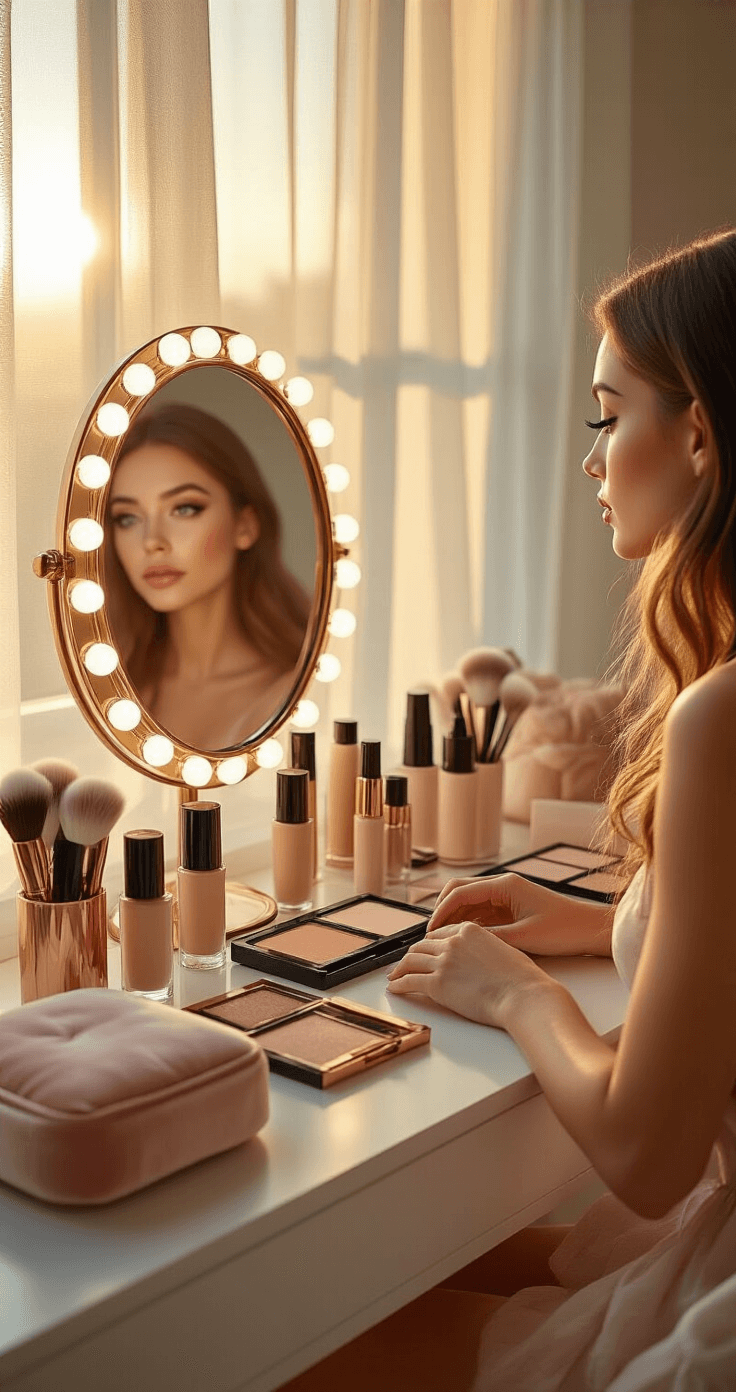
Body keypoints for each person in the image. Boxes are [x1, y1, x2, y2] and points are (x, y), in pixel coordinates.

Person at [281, 230, 736, 1390]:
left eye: (605, 415)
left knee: (301, 1348)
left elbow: (643, 1152)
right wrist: (607, 920)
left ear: (697, 433)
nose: (591, 461)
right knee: (389, 1277)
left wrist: (518, 995)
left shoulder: (719, 719)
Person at [106, 402, 312, 750]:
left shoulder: (293, 697)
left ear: (244, 526)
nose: (152, 541)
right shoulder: (111, 692)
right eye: (127, 518)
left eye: (185, 508)